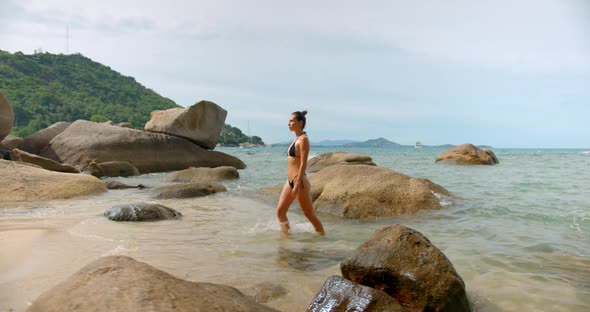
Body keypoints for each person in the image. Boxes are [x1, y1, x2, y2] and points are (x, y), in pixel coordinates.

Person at [276, 110, 325, 235]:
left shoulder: (303, 139)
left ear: (300, 122)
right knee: (280, 212)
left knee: (309, 214)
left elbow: (303, 163)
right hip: (290, 181)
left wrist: (297, 183)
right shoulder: (296, 139)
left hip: (300, 181)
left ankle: (323, 237)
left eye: (292, 121)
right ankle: (286, 239)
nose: (289, 123)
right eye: (289, 121)